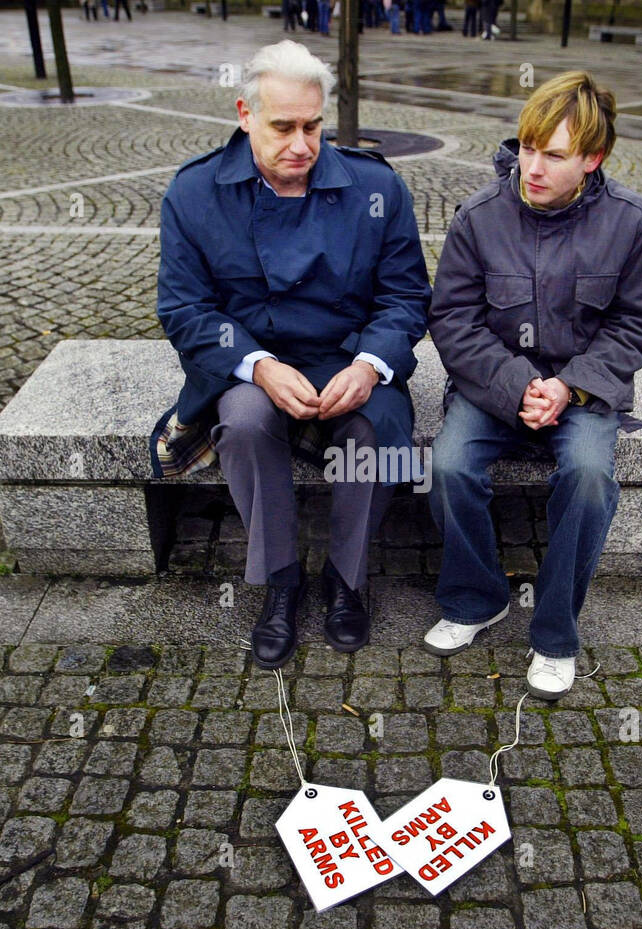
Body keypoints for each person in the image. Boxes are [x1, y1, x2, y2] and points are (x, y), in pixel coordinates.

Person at [154, 41, 430, 669]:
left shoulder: (374, 186)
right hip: (251, 359)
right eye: (283, 127)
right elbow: (185, 309)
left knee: (381, 427)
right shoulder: (195, 194)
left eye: (313, 126)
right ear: (245, 113)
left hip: (347, 354)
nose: (301, 145)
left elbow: (406, 295)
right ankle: (281, 580)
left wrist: (370, 364)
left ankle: (345, 578)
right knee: (246, 422)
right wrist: (258, 365)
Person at [423, 71, 642, 699]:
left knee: (588, 476)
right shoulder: (479, 215)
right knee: (449, 466)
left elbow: (638, 324)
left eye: (553, 155)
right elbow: (452, 319)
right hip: (493, 385)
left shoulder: (633, 221)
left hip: (584, 393)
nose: (532, 166)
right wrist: (517, 383)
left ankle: (555, 633)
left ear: (593, 158)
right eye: (528, 148)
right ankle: (477, 599)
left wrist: (570, 388)